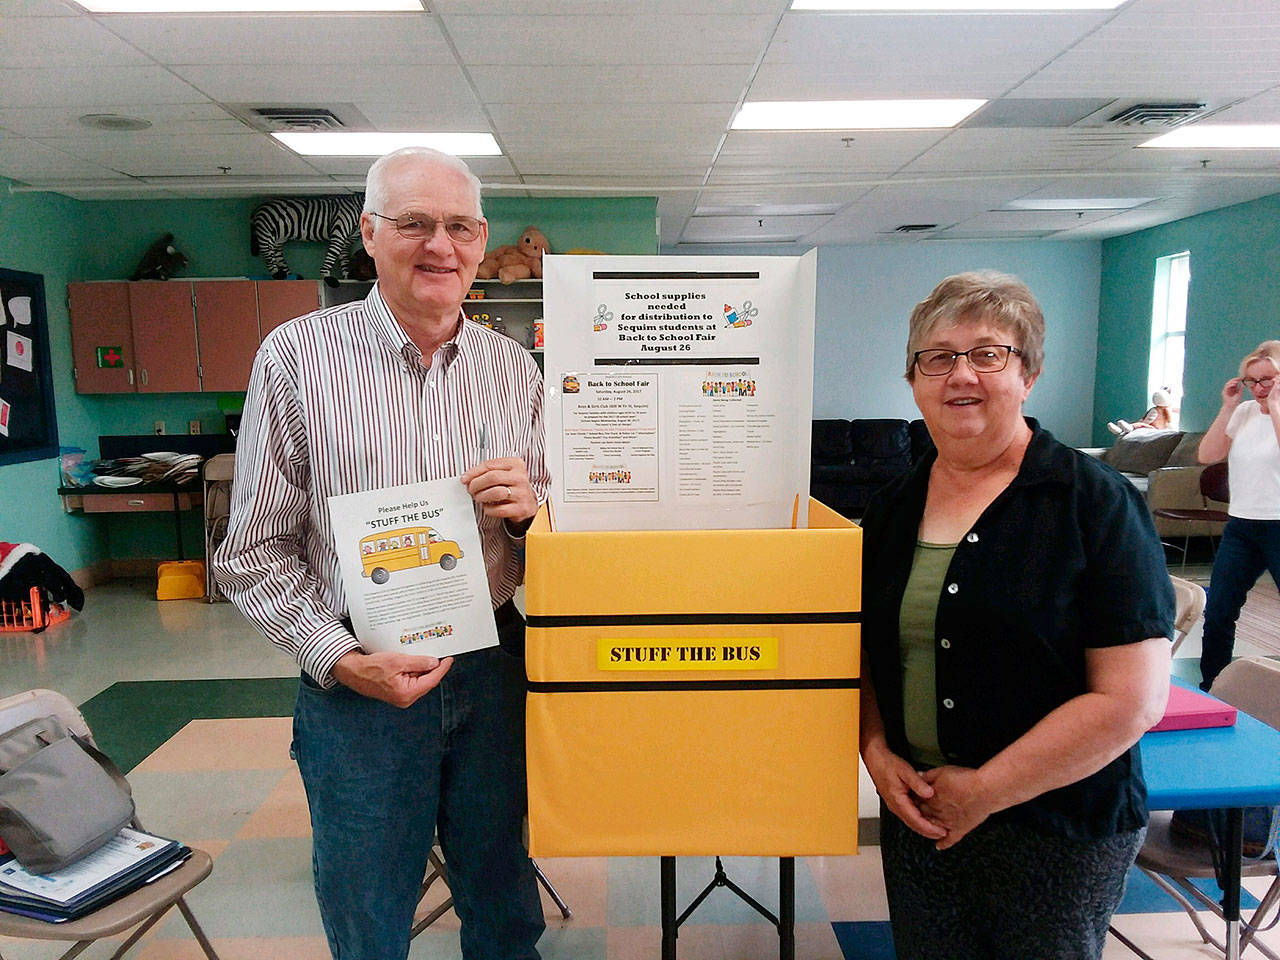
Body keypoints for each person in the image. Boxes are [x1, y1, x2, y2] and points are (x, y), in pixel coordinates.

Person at [214, 146, 548, 960]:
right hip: (359, 681)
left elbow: (553, 536)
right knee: (367, 913)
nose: (441, 245)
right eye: (415, 223)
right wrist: (340, 659)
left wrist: (534, 515)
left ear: (481, 240)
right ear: (369, 233)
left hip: (494, 669)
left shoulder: (514, 369)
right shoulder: (296, 358)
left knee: (505, 899)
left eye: (460, 227)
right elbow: (251, 550)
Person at [858, 271, 1173, 960]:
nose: (959, 374)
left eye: (988, 353)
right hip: (922, 814)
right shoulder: (890, 511)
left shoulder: (1095, 503)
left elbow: (1133, 700)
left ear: (1027, 373)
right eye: (936, 357)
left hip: (1057, 823)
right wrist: (875, 751)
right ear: (913, 380)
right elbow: (870, 657)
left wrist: (986, 791)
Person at [1195, 341, 1280, 690]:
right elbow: (1207, 454)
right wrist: (1228, 406)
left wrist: (1274, 406)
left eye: (1267, 380)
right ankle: (1211, 688)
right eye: (1252, 381)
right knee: (1217, 613)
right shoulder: (1244, 412)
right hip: (1242, 527)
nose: (1259, 389)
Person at [1107, 388, 1174, 435]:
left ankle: (1124, 429)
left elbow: (1148, 421)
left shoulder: (1156, 411)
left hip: (1153, 428)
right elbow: (1169, 423)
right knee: (1139, 425)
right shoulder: (1165, 411)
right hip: (1158, 429)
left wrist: (1142, 423)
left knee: (1140, 425)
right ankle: (1120, 430)